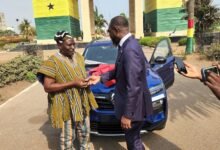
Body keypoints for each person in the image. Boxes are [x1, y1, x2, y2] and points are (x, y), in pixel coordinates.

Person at [89, 16, 153, 150]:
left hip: (133, 110)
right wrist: (100, 78)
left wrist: (128, 115)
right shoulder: (127, 45)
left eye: (109, 31)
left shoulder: (129, 50)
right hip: (132, 107)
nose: (109, 34)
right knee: (134, 138)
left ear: (116, 30)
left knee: (133, 141)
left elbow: (133, 86)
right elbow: (119, 70)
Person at [37, 31, 98, 149]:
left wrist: (87, 80)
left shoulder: (79, 57)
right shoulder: (52, 62)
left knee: (85, 133)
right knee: (67, 137)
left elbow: (80, 74)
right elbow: (47, 87)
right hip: (65, 105)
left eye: (74, 44)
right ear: (59, 45)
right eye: (69, 45)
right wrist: (73, 83)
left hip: (81, 103)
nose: (73, 47)